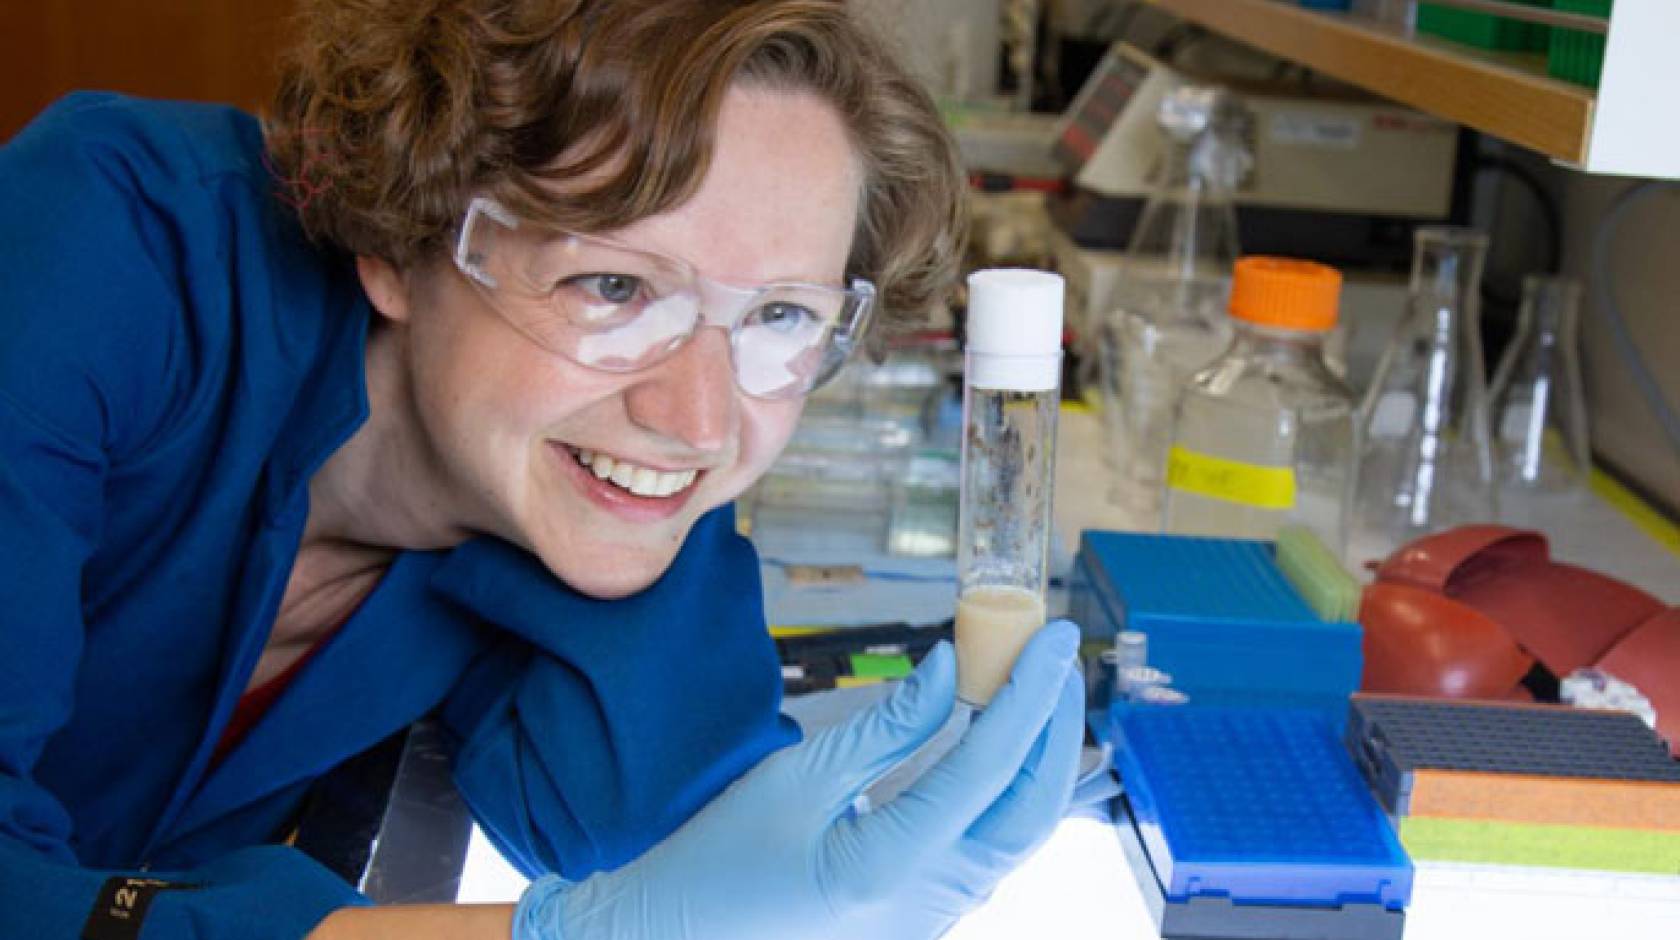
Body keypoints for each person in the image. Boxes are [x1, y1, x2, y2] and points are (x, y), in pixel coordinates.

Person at [0, 1, 1087, 937]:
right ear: (400, 237)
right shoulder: (104, 246)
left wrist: (878, 874)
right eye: (611, 289)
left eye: (778, 315)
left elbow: (688, 841)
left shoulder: (604, 476)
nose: (699, 418)